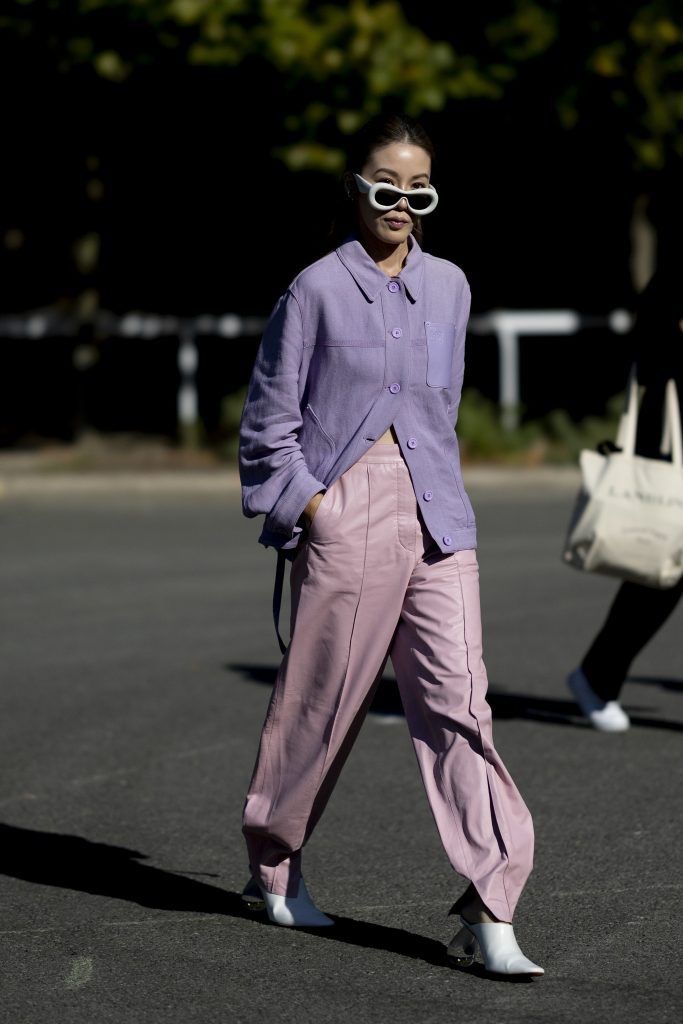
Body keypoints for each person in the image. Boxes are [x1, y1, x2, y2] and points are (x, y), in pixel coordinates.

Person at [237, 113, 543, 976]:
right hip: (347, 513)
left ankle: (492, 908)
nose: (400, 202)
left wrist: (432, 501)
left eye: (417, 189)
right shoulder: (315, 290)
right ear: (353, 189)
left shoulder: (451, 286)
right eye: (384, 185)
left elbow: (437, 417)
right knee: (323, 703)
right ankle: (273, 864)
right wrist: (314, 507)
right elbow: (267, 428)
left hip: (440, 517)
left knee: (462, 705)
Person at [567, 263, 683, 731]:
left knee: (667, 570)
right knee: (662, 564)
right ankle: (597, 674)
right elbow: (653, 336)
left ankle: (598, 673)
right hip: (673, 425)